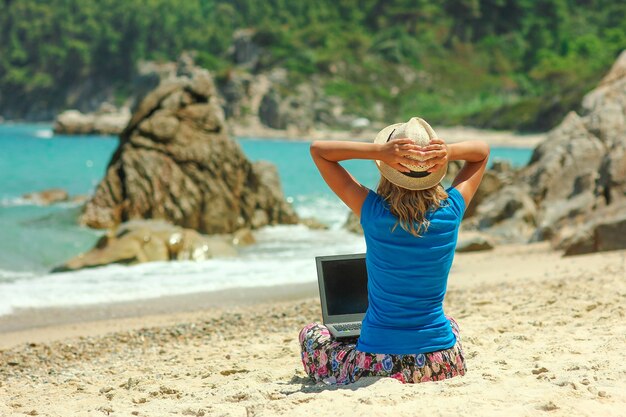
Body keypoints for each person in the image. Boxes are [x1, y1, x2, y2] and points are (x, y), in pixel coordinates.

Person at [299, 117, 490, 385]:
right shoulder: (452, 210)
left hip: (380, 360)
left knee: (312, 334)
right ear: (437, 167)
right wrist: (448, 152)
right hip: (442, 361)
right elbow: (481, 153)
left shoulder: (373, 211)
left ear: (387, 168)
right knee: (450, 323)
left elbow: (319, 150)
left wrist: (378, 152)